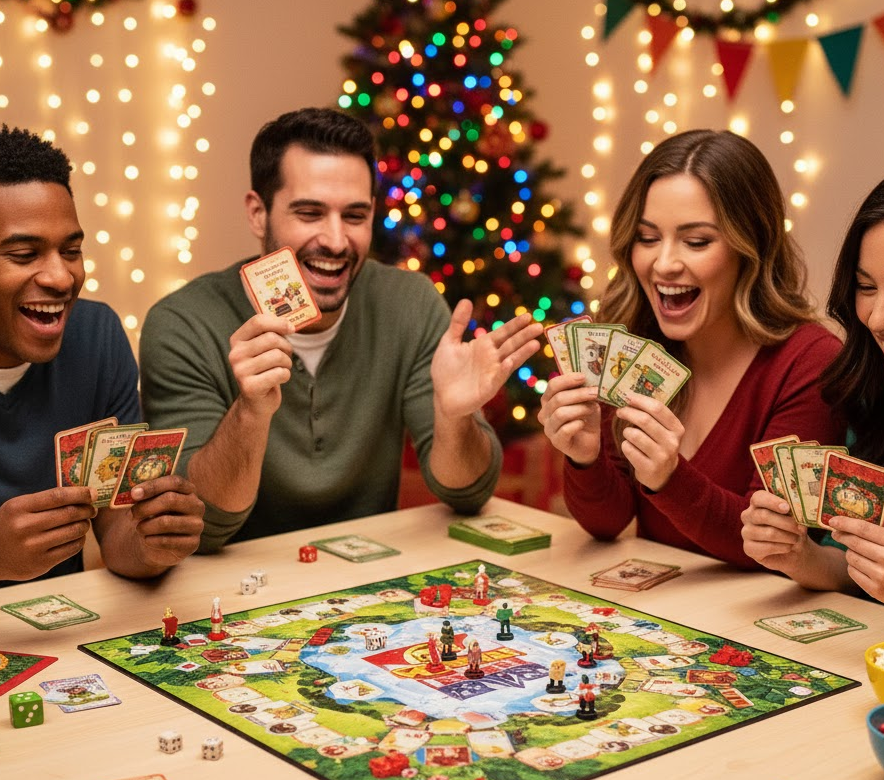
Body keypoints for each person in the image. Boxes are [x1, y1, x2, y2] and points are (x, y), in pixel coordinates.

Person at [140, 108, 542, 551]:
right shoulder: (183, 324)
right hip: (229, 594)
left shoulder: (408, 303)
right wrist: (251, 411)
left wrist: (454, 417)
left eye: (354, 216)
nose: (334, 240)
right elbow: (201, 525)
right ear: (258, 213)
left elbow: (466, 493)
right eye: (310, 213)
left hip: (367, 588)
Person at [538, 129, 845, 568]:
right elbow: (607, 522)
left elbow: (770, 547)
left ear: (750, 247)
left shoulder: (810, 361)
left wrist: (670, 478)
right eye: (647, 238)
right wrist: (584, 458)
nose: (663, 263)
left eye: (696, 241)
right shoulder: (631, 343)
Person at [0, 126, 205, 585]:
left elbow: (117, 533)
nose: (61, 277)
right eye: (23, 253)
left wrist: (155, 542)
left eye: (71, 250)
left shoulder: (97, 337)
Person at [741, 180, 884, 599]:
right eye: (866, 287)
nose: (876, 319)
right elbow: (850, 565)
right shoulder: (868, 394)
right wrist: (796, 554)